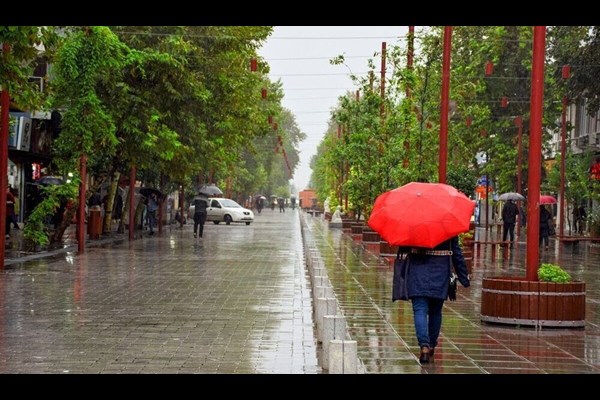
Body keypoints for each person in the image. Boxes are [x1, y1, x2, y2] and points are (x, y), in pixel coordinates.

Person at [400, 237, 470, 364]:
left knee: (419, 309)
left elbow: (403, 247)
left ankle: (424, 346)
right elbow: (456, 252)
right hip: (440, 270)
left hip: (417, 271)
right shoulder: (448, 223)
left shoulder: (414, 222)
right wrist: (464, 277)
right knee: (435, 311)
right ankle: (431, 345)